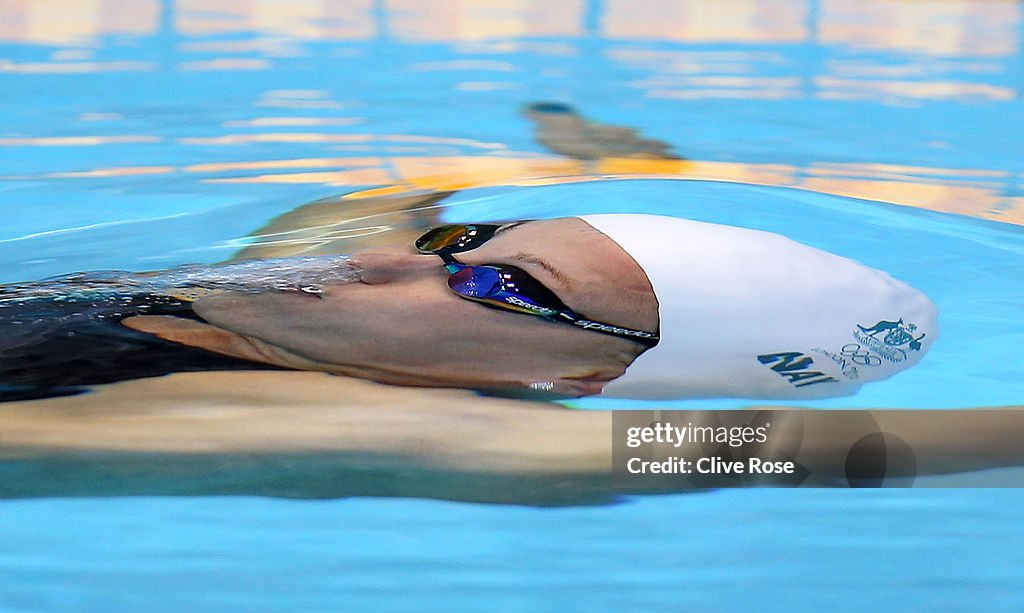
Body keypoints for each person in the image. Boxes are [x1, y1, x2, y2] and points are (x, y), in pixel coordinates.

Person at [117, 213, 938, 400]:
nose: (376, 261)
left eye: (508, 285)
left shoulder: (363, 419)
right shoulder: (263, 288)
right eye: (457, 240)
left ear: (588, 373)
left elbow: (832, 449)